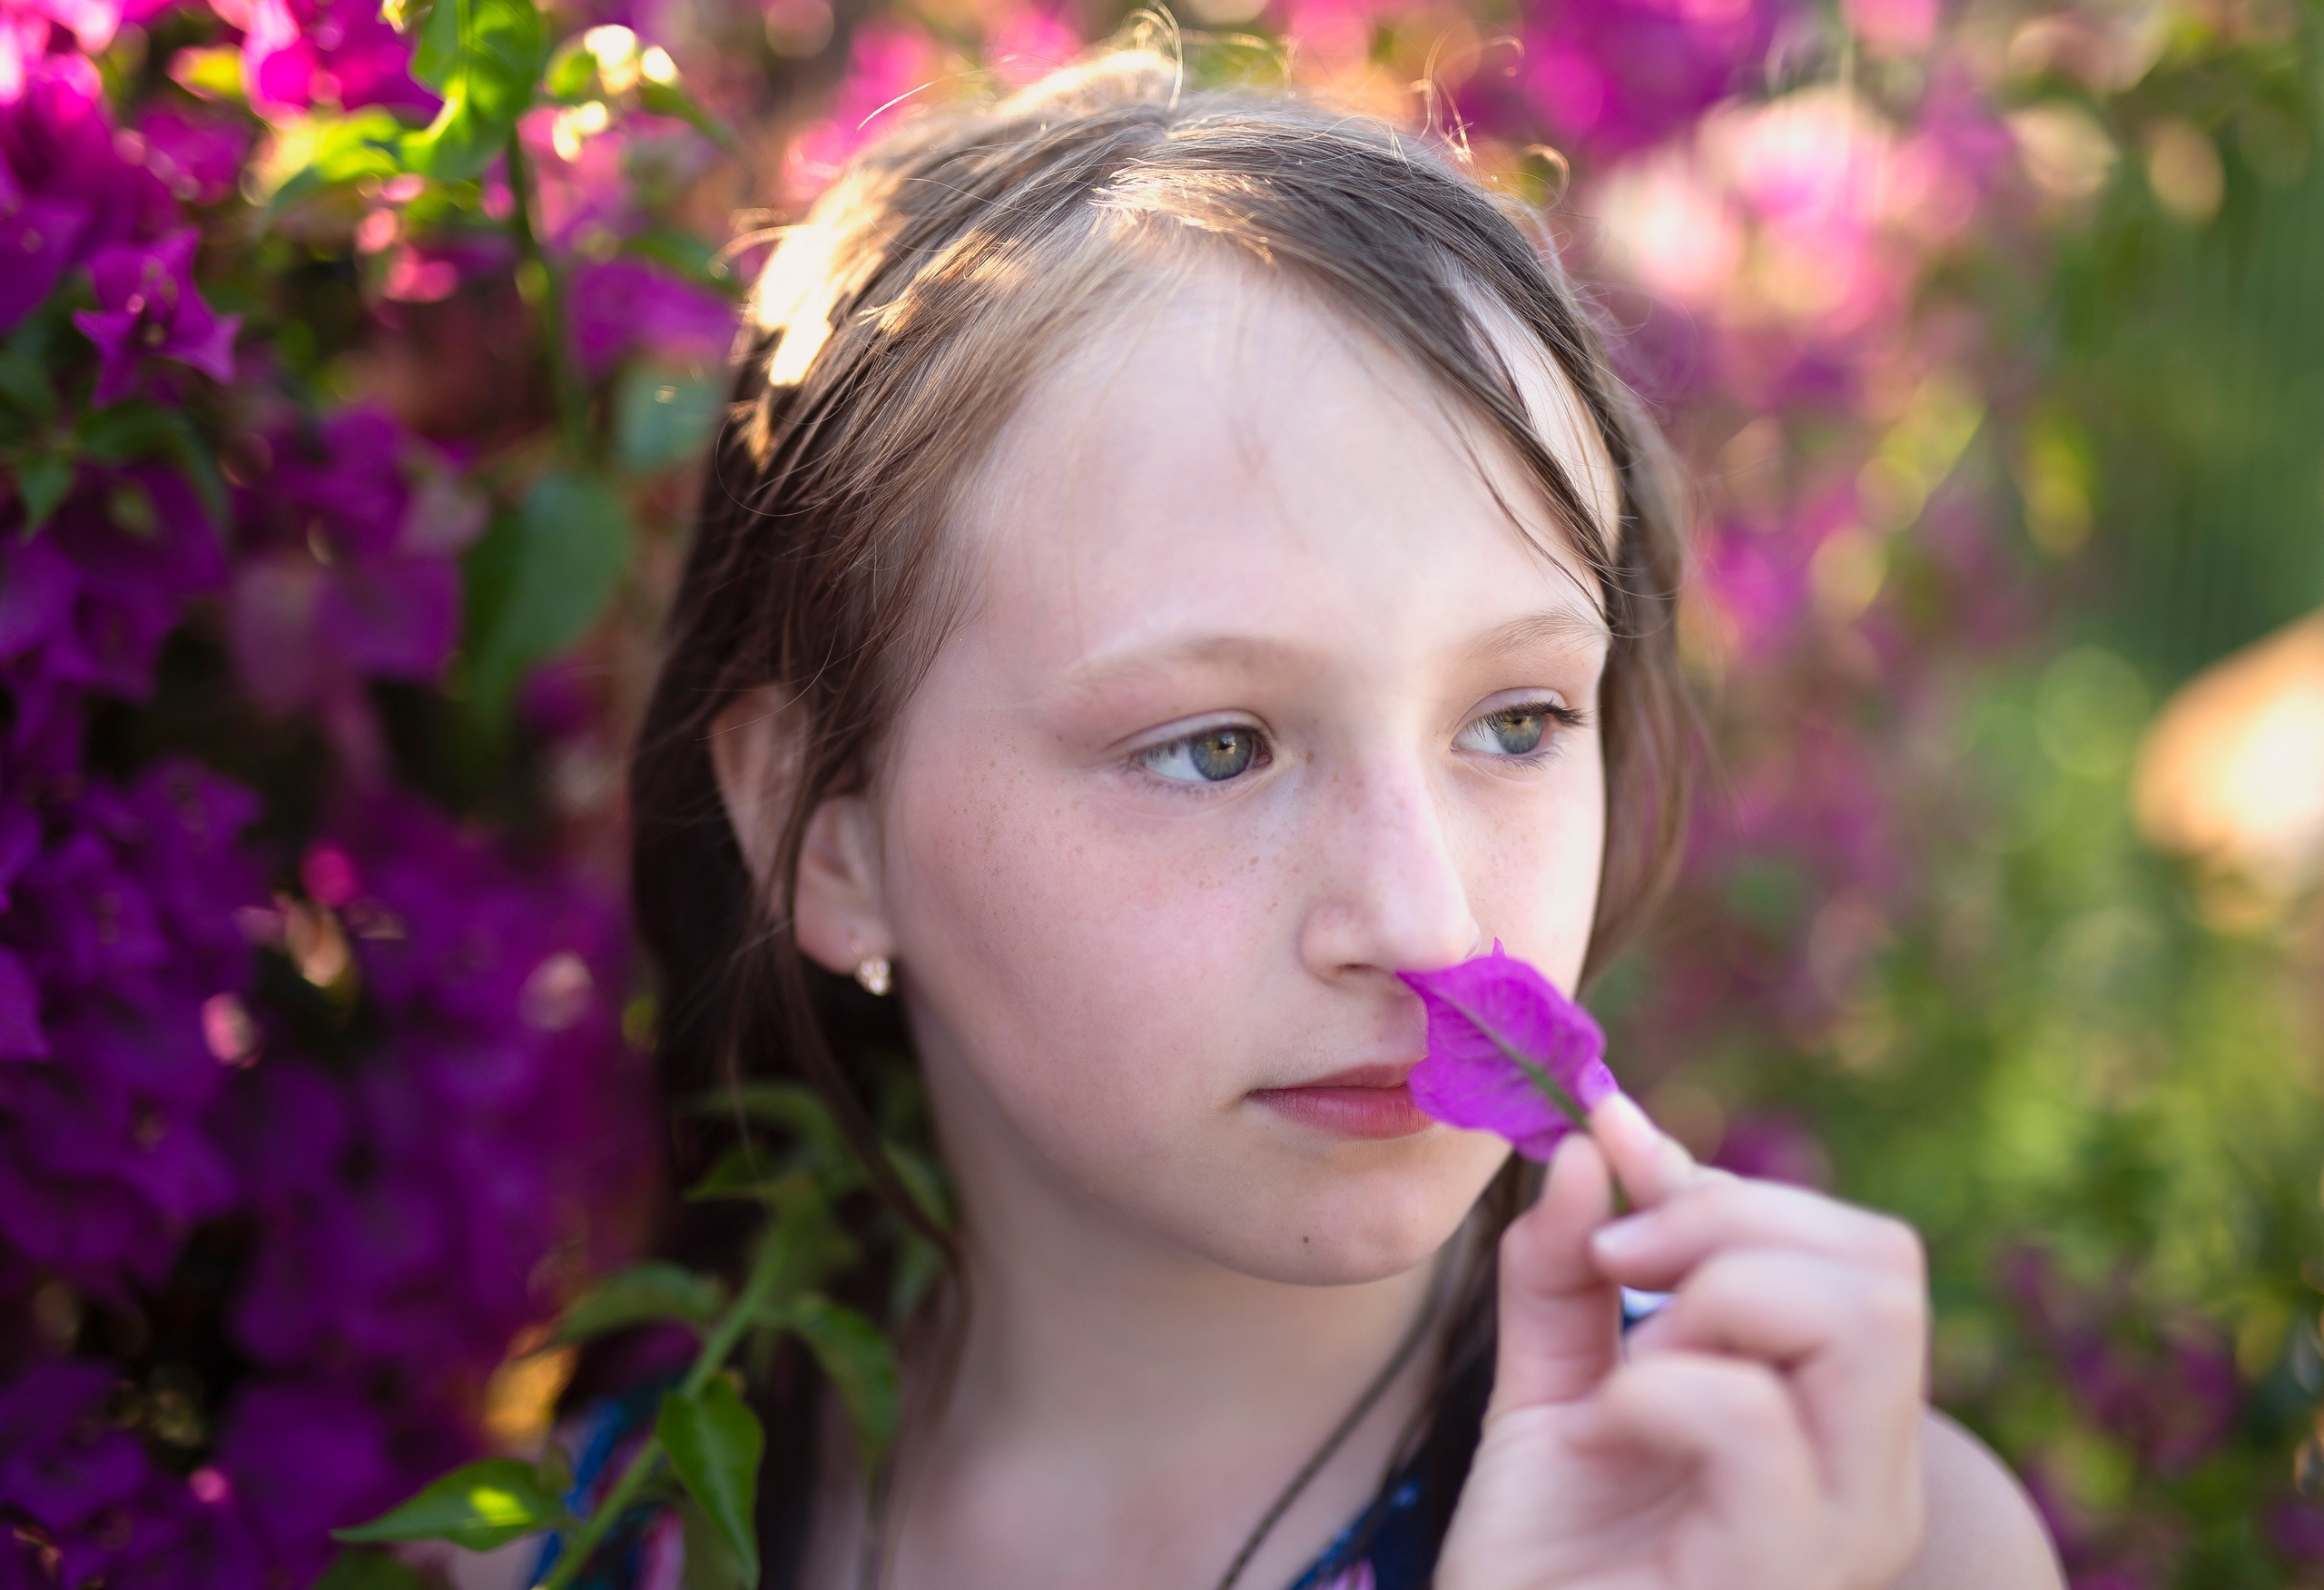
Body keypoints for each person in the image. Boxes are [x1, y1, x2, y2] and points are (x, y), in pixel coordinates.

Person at [620, 38, 2066, 1590]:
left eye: (1517, 723)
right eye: (1216, 747)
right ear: (820, 826)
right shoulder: (602, 1546)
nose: (1428, 921)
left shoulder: (1860, 1543)